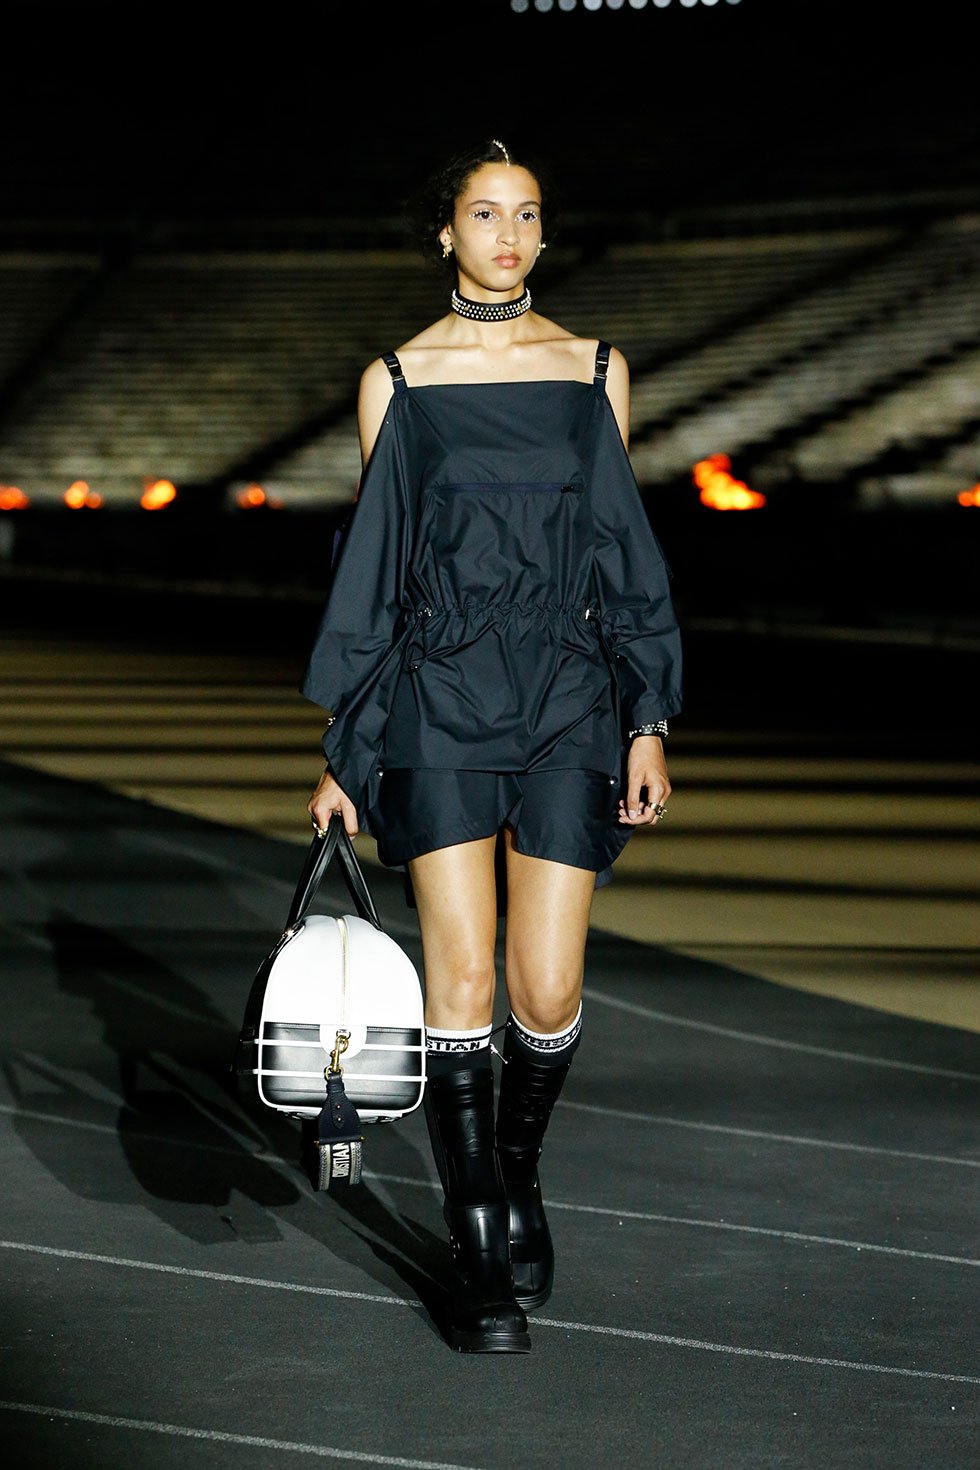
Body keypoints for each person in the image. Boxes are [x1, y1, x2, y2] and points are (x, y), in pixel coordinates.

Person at [302, 138, 682, 1354]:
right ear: (445, 233)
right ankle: (475, 1239)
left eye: (525, 215)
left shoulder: (595, 369)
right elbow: (375, 570)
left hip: (569, 692)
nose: (508, 235)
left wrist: (647, 716)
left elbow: (622, 551)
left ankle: (514, 1167)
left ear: (542, 233)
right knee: (460, 982)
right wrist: (346, 744)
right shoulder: (396, 380)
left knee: (546, 988)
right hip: (440, 694)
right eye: (484, 214)